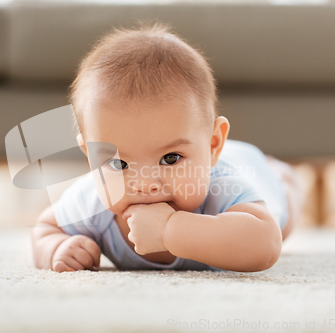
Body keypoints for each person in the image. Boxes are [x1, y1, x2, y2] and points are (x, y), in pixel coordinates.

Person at [31, 21, 306, 272]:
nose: (145, 184)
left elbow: (265, 244)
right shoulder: (91, 201)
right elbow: (46, 226)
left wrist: (169, 229)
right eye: (119, 164)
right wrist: (57, 248)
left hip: (251, 169)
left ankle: (284, 176)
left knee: (285, 210)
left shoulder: (224, 190)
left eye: (170, 158)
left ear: (212, 145)